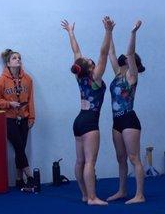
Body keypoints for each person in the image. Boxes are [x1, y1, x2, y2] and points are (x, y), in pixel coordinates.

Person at [61, 16, 114, 205]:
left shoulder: (80, 77)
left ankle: (84, 194)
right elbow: (103, 53)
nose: (95, 62)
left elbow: (76, 51)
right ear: (91, 67)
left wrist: (71, 33)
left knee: (80, 161)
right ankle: (92, 198)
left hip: (78, 121)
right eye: (93, 62)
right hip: (90, 122)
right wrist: (108, 32)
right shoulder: (95, 78)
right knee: (90, 162)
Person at [107, 20, 146, 204]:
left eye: (129, 59)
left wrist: (133, 32)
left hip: (130, 120)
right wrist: (109, 31)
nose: (124, 57)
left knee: (133, 158)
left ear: (132, 64)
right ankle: (122, 191)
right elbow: (111, 52)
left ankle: (139, 195)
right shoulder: (117, 74)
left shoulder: (131, 76)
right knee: (120, 158)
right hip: (117, 122)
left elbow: (129, 52)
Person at [0, 49, 35, 189]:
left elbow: (31, 100)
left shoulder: (28, 79)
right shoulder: (2, 80)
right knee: (19, 146)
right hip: (8, 119)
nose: (18, 60)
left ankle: (18, 179)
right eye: (14, 58)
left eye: (19, 58)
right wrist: (9, 104)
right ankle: (29, 175)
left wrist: (32, 116)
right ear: (8, 63)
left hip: (24, 118)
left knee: (20, 148)